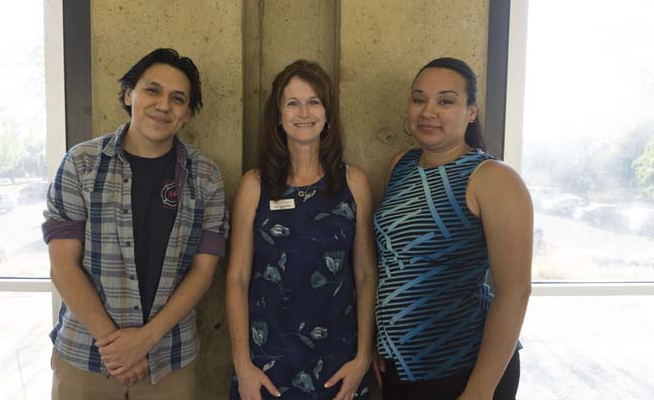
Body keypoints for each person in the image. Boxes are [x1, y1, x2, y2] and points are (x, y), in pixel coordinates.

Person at [42, 48, 229, 400]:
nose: (163, 105)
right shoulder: (81, 164)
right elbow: (62, 264)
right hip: (86, 355)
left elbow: (204, 271)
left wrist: (145, 339)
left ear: (187, 114)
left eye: (178, 99)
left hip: (169, 360)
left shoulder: (205, 177)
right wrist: (117, 348)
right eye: (152, 90)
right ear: (130, 94)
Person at [372, 58, 532, 400]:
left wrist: (480, 390)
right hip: (401, 366)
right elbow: (393, 264)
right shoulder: (400, 166)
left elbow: (515, 292)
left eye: (445, 101)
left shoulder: (494, 178)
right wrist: (382, 341)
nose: (428, 111)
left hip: (463, 366)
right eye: (419, 99)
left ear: (471, 111)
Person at [226, 60, 378, 400]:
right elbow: (236, 276)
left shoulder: (354, 182)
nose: (303, 112)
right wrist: (242, 364)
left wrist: (363, 357)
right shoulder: (255, 185)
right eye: (292, 103)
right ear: (279, 116)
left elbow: (367, 273)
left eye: (313, 102)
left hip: (339, 359)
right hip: (266, 363)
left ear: (327, 114)